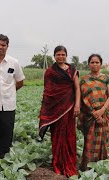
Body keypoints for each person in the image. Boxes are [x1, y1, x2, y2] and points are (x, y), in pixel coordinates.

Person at [39, 45, 80, 177]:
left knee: (69, 136)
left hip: (69, 108)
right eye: (58, 54)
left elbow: (77, 89)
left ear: (66, 56)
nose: (60, 57)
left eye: (63, 54)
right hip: (55, 111)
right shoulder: (50, 72)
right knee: (57, 136)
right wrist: (46, 109)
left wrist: (77, 105)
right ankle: (58, 163)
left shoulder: (72, 70)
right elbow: (48, 91)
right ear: (54, 56)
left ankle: (69, 162)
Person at [78, 54, 109, 171]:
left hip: (103, 114)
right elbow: (81, 99)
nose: (94, 64)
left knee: (103, 140)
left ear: (101, 64)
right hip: (89, 116)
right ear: (88, 64)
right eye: (92, 62)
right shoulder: (83, 80)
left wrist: (102, 110)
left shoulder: (107, 79)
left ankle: (102, 167)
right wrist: (93, 112)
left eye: (97, 62)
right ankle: (87, 169)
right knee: (89, 142)